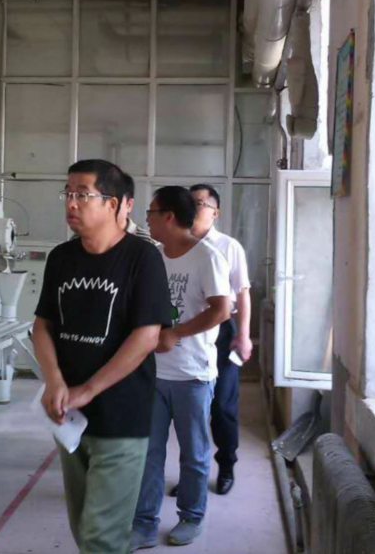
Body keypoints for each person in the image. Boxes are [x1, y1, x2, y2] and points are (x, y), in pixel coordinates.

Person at [32, 159, 173, 554]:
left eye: (83, 195)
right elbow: (43, 325)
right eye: (68, 193)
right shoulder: (61, 258)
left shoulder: (142, 258)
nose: (71, 203)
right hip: (70, 416)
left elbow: (146, 337)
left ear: (114, 204)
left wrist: (89, 389)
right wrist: (54, 381)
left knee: (101, 536)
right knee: (83, 527)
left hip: (121, 415)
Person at [131, 186, 232, 550]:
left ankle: (191, 516)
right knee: (149, 452)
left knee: (194, 454)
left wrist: (176, 333)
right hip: (153, 373)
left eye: (151, 212)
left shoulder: (208, 257)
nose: (146, 219)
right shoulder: (155, 257)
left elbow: (222, 309)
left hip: (193, 374)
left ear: (169, 216)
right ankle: (144, 522)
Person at [189, 184, 252, 496]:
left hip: (222, 331)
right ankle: (192, 473)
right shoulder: (177, 245)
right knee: (190, 407)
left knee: (222, 405)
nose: (194, 208)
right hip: (188, 330)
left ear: (215, 212)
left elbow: (242, 293)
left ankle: (226, 465)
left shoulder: (229, 246)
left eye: (200, 203)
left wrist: (244, 334)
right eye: (190, 202)